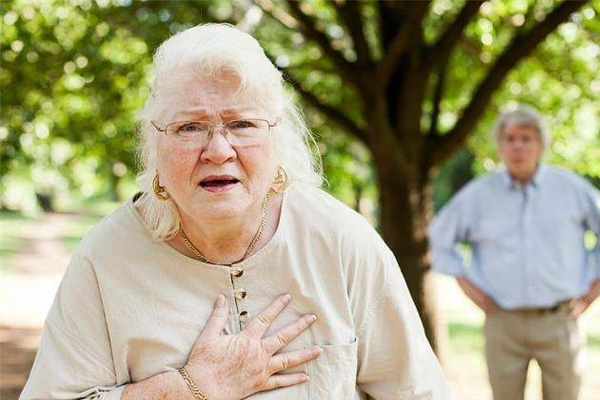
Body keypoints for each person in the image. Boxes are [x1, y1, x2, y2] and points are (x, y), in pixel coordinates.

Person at [20, 24, 450, 400]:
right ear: (155, 145)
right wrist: (191, 388)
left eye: (242, 124)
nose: (218, 151)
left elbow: (416, 391)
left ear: (278, 138)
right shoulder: (107, 257)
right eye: (189, 127)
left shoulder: (341, 240)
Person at [428, 105, 600, 400]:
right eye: (510, 138)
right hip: (502, 322)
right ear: (500, 145)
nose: (518, 145)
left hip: (559, 321)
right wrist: (470, 288)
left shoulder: (571, 189)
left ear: (540, 144)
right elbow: (440, 238)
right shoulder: (478, 195)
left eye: (526, 138)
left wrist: (592, 291)